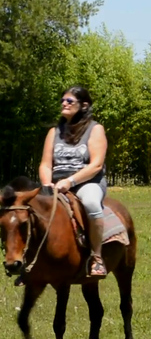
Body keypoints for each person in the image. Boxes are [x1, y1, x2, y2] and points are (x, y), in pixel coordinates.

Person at [39, 86, 108, 278]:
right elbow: (45, 164)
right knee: (28, 207)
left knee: (92, 203)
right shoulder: (54, 132)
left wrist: (70, 181)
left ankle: (96, 257)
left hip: (87, 182)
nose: (64, 103)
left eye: (69, 101)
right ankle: (29, 260)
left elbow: (96, 165)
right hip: (55, 184)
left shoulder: (95, 129)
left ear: (84, 106)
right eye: (62, 100)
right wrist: (47, 184)